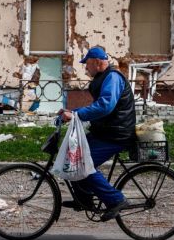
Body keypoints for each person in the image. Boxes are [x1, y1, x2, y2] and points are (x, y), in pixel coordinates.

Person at [58, 46, 136, 221]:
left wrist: (76, 114)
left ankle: (116, 200)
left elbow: (105, 106)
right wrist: (71, 111)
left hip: (116, 134)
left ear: (97, 62)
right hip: (106, 131)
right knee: (73, 155)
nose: (86, 68)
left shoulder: (113, 78)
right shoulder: (104, 77)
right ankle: (83, 199)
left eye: (87, 64)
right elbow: (98, 106)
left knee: (83, 163)